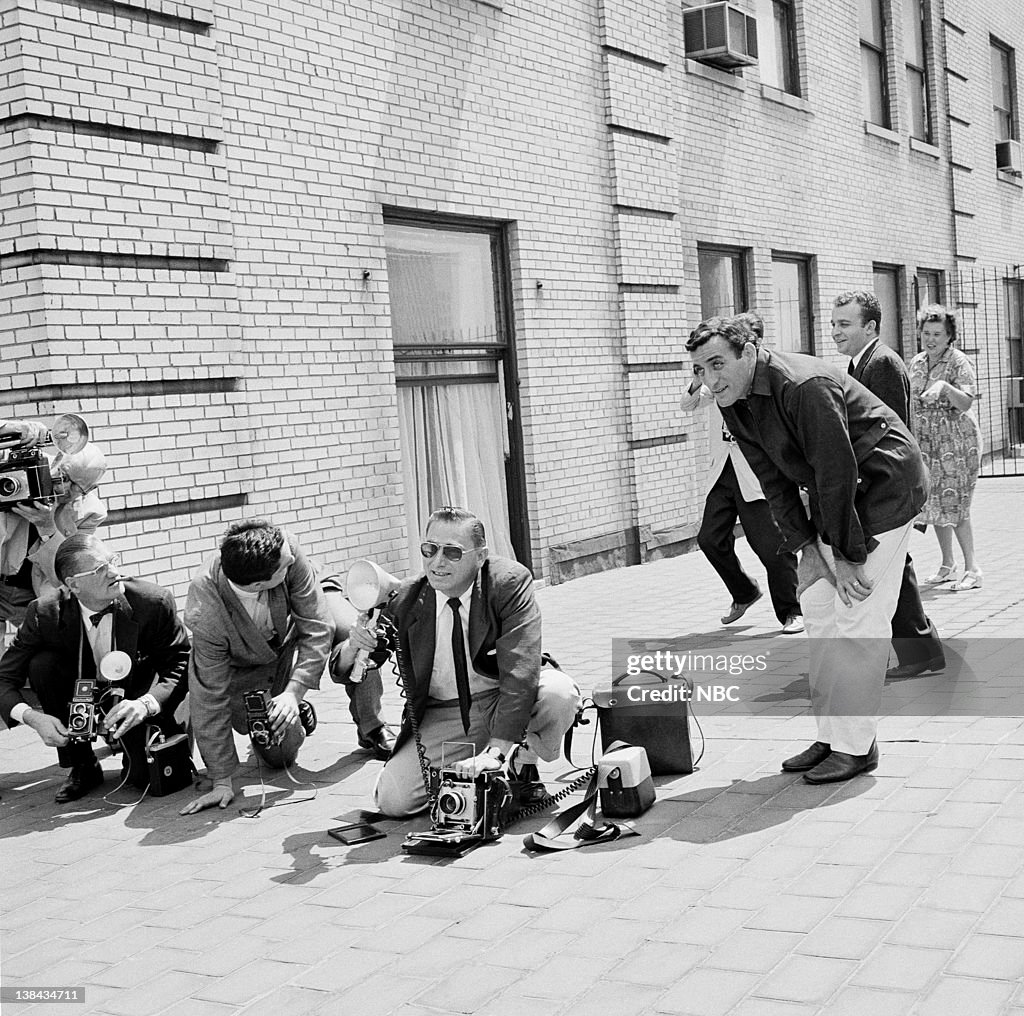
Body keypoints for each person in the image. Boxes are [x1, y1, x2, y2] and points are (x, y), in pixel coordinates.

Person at [687, 316, 928, 783]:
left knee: (858, 615)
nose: (710, 380)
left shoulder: (804, 384)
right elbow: (772, 478)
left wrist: (844, 553)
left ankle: (856, 748)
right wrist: (808, 550)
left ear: (749, 352)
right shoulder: (732, 399)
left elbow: (835, 471)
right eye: (700, 370)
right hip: (836, 494)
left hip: (884, 489)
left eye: (717, 364)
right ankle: (833, 736)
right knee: (818, 606)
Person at [335, 505, 580, 817]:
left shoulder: (509, 583)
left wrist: (496, 752)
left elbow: (521, 672)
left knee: (559, 694)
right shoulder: (407, 598)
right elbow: (345, 671)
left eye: (452, 552)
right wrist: (354, 646)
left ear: (479, 556)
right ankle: (471, 773)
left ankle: (522, 761)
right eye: (429, 549)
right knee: (393, 801)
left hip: (500, 697)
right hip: (444, 713)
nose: (437, 562)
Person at [0, 534, 190, 802]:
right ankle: (82, 764)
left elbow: (181, 663)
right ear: (73, 585)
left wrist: (146, 704)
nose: (114, 572)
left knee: (142, 778)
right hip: (81, 689)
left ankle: (143, 742)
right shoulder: (43, 613)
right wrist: (33, 717)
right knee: (42, 664)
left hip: (135, 692)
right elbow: (3, 679)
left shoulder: (152, 602)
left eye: (112, 560)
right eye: (100, 569)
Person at [181, 520, 333, 814]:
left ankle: (295, 706)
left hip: (285, 652)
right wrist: (222, 780)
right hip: (242, 671)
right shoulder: (206, 610)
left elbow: (317, 625)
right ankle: (291, 713)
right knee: (276, 754)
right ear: (259, 584)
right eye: (285, 566)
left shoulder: (284, 548)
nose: (292, 559)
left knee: (283, 755)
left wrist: (294, 691)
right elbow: (210, 694)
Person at [831, 291, 944, 678]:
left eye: (844, 324)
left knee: (893, 567)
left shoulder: (882, 364)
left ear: (871, 326)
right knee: (899, 565)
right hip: (879, 484)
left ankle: (917, 651)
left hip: (888, 484)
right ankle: (921, 649)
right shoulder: (859, 363)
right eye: (833, 324)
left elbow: (887, 431)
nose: (835, 332)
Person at [681, 312, 802, 634]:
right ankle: (744, 592)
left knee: (772, 547)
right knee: (709, 538)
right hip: (724, 471)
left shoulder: (762, 383)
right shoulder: (717, 381)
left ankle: (792, 609)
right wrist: (697, 375)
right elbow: (688, 404)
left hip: (756, 475)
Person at [0, 417, 107, 629]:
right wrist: (17, 429)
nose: (63, 488)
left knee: (46, 655)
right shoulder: (17, 468)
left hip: (33, 593)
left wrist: (47, 527)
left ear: (90, 490)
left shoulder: (89, 513)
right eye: (63, 476)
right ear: (56, 461)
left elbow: (69, 570)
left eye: (77, 487)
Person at [908, 304, 983, 590]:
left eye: (938, 334)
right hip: (926, 442)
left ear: (950, 335)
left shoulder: (958, 361)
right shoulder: (916, 362)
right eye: (926, 332)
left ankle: (972, 568)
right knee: (936, 502)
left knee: (957, 504)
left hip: (957, 443)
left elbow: (965, 402)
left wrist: (943, 387)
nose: (931, 339)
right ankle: (948, 564)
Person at [321, 575, 396, 760]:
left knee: (360, 633)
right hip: (261, 587)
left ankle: (373, 726)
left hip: (312, 585)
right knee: (277, 752)